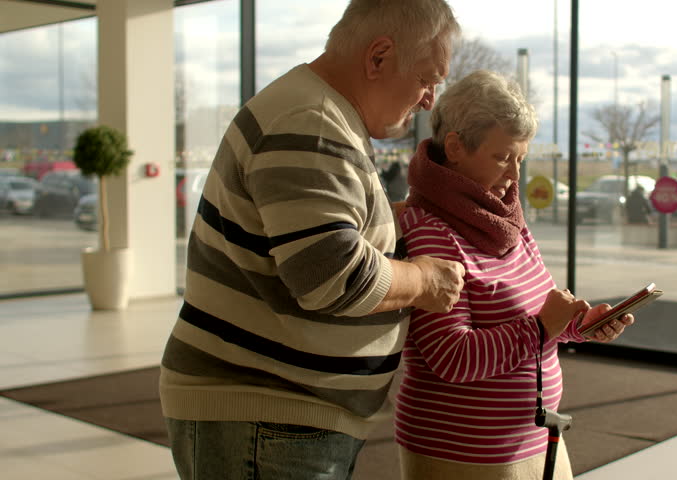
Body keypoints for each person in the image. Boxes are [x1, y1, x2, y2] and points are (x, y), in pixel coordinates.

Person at [158, 2, 464, 479]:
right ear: (378, 57)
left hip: (276, 421)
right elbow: (332, 275)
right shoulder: (313, 122)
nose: (429, 99)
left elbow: (320, 236)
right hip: (268, 419)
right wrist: (424, 279)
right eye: (427, 78)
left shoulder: (320, 114)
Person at [394, 70, 635, 480]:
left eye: (521, 158)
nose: (515, 176)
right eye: (504, 157)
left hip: (536, 442)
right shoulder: (428, 229)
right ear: (455, 147)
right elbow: (452, 358)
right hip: (464, 452)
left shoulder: (505, 220)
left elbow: (536, 313)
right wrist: (543, 327)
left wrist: (577, 326)